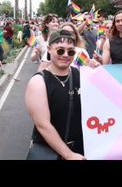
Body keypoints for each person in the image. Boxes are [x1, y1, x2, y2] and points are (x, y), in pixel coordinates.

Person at [25, 27, 92, 160]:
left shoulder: (80, 75)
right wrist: (68, 155)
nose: (66, 55)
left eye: (71, 51)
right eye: (60, 50)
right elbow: (43, 125)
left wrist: (98, 71)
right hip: (51, 153)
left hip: (80, 151)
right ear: (49, 50)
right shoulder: (38, 81)